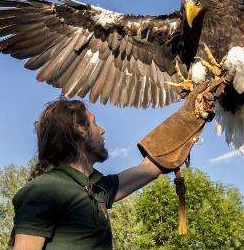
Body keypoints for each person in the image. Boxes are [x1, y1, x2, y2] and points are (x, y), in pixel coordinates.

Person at [11, 78, 224, 250]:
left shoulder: (96, 188)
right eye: (94, 124)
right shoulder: (44, 190)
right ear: (80, 130)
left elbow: (150, 168)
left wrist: (194, 116)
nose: (102, 130)